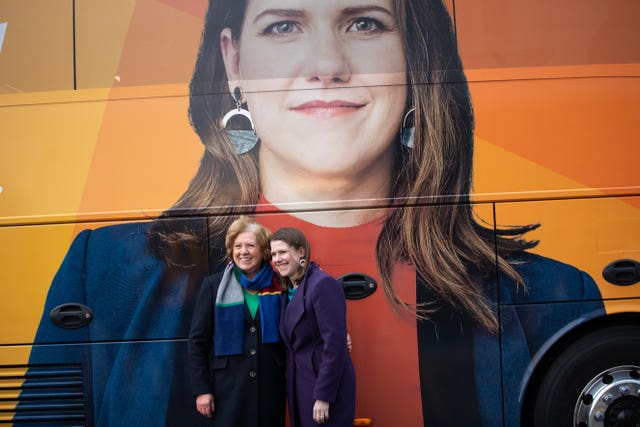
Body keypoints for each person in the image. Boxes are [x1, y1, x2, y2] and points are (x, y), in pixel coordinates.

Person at [20, 0, 604, 426]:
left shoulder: (552, 296)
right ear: (234, 63)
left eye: (365, 23)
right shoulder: (105, 274)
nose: (327, 63)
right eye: (283, 26)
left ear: (414, 59)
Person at [188, 216, 285, 426]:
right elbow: (197, 342)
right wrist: (202, 389)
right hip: (228, 389)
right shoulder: (213, 286)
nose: (243, 251)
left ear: (263, 251)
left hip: (270, 387)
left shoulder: (281, 286)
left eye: (251, 245)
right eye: (238, 246)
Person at [270, 227, 355, 427]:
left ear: (301, 252)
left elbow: (335, 345)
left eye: (282, 252)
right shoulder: (287, 289)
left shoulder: (322, 284)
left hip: (324, 386)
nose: (277, 259)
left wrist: (324, 396)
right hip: (300, 384)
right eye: (273, 254)